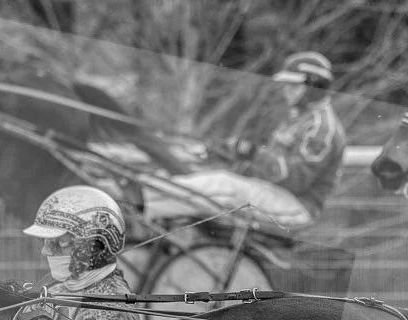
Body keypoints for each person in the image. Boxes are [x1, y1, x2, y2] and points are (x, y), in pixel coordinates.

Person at [140, 51, 346, 231]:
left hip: (298, 207)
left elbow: (296, 180)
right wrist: (231, 155)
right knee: (213, 181)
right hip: (279, 196)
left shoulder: (321, 129)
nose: (286, 91)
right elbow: (267, 167)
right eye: (287, 85)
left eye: (294, 86)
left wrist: (253, 153)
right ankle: (148, 200)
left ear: (314, 87)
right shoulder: (299, 118)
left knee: (225, 185)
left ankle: (142, 198)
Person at [17, 185, 145, 320]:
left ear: (93, 245)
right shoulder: (60, 287)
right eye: (47, 242)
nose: (45, 251)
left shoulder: (108, 311)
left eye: (60, 243)